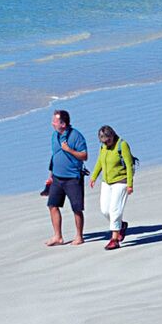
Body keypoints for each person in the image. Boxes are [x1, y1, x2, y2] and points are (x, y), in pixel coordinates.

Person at [42, 107, 89, 248]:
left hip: (73, 178)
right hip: (57, 177)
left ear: (63, 124)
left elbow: (84, 156)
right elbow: (55, 156)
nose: (52, 124)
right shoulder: (54, 136)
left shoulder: (76, 136)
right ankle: (58, 236)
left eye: (54, 121)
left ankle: (79, 236)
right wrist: (50, 176)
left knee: (76, 208)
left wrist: (69, 150)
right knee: (52, 205)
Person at [94, 123, 138, 250]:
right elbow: (100, 161)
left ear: (112, 136)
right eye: (103, 141)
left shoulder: (122, 145)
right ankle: (121, 225)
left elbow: (129, 165)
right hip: (106, 181)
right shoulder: (103, 147)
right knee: (105, 210)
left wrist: (130, 184)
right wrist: (94, 177)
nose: (106, 144)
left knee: (115, 209)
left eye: (108, 141)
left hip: (121, 180)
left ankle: (114, 239)